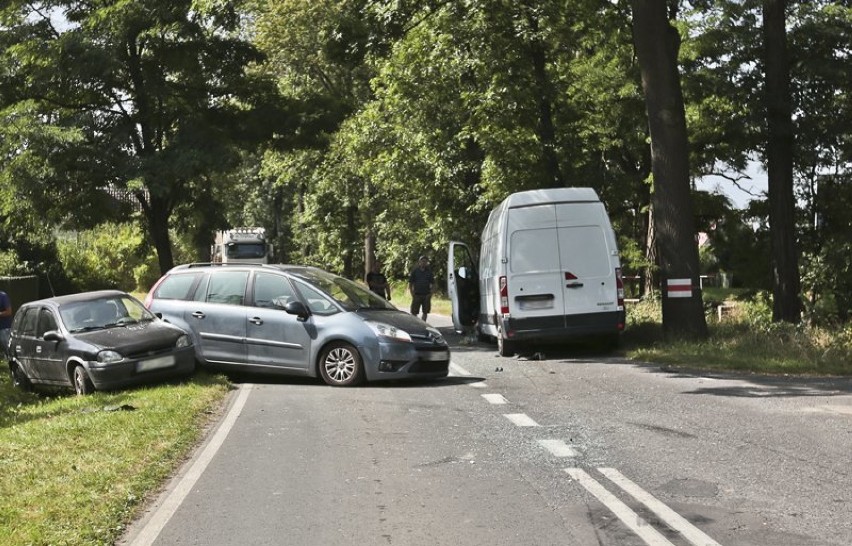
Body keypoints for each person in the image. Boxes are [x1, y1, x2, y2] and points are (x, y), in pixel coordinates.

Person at [408, 255, 434, 321]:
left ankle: (423, 325)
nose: (423, 263)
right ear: (419, 262)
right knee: (414, 312)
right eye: (422, 261)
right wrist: (412, 293)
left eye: (425, 261)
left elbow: (433, 283)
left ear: (427, 263)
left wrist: (431, 294)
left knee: (425, 312)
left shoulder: (429, 272)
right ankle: (415, 324)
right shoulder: (415, 271)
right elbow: (410, 283)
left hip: (426, 294)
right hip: (417, 294)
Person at [0, 290, 12, 361]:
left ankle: (12, 362)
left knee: (7, 347)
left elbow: (9, 312)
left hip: (5, 328)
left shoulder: (3, 296)